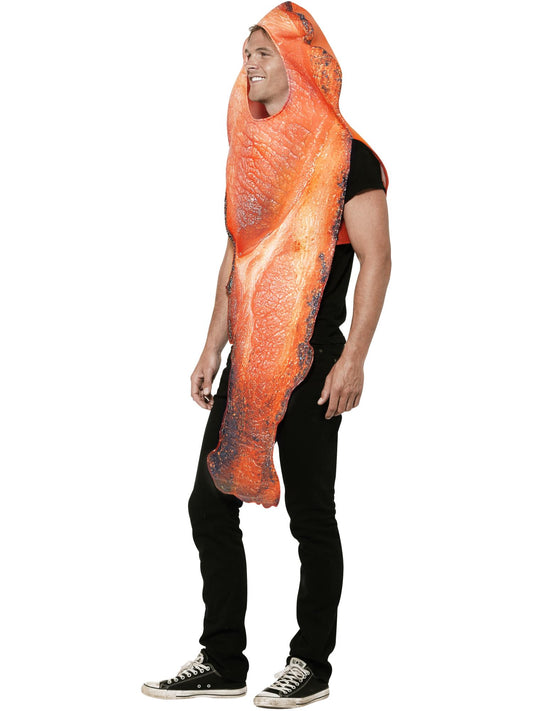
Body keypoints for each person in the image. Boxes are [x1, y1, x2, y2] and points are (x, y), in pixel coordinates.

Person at [142, 3, 391, 707]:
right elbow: (238, 255)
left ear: (298, 65)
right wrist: (210, 344)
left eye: (262, 53)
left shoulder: (348, 156)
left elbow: (377, 259)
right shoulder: (252, 150)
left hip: (311, 360)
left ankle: (310, 663)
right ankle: (223, 659)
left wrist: (354, 359)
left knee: (310, 514)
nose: (248, 66)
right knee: (208, 503)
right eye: (245, 53)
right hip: (249, 359)